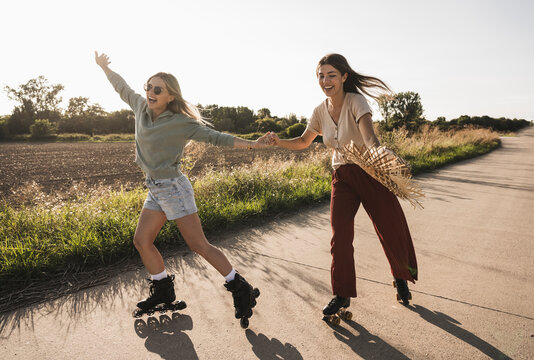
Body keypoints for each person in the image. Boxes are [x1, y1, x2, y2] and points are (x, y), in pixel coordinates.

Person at [94, 51, 264, 323]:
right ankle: (162, 290)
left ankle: (240, 288)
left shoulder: (181, 122)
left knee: (199, 245)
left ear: (170, 96)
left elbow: (216, 138)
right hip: (156, 188)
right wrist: (104, 68)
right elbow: (121, 87)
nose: (150, 91)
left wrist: (254, 144)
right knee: (142, 240)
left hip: (173, 188)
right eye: (148, 86)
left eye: (157, 89)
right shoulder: (140, 107)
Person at [266, 54, 418, 316]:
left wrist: (385, 158)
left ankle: (401, 276)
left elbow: (370, 138)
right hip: (342, 177)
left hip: (370, 172)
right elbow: (304, 141)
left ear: (344, 76)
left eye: (331, 75)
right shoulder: (319, 111)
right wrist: (278, 141)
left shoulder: (356, 101)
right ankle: (342, 294)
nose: (325, 80)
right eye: (321, 76)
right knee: (340, 237)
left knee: (390, 229)